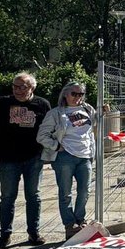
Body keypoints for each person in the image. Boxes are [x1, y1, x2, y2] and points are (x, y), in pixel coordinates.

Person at [0, 72, 50, 249]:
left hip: (34, 158)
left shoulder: (42, 104)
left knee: (33, 196)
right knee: (7, 197)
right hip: (8, 158)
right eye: (15, 86)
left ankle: (34, 232)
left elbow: (51, 126)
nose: (18, 90)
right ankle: (5, 235)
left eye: (22, 87)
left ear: (32, 87)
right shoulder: (2, 103)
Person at [39, 81, 96, 234]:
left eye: (81, 94)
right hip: (65, 157)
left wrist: (103, 111)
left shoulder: (87, 109)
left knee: (85, 190)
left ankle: (80, 219)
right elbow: (41, 135)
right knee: (65, 192)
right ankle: (69, 224)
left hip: (85, 156)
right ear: (65, 94)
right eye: (74, 93)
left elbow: (92, 127)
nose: (77, 97)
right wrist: (56, 146)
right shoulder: (55, 113)